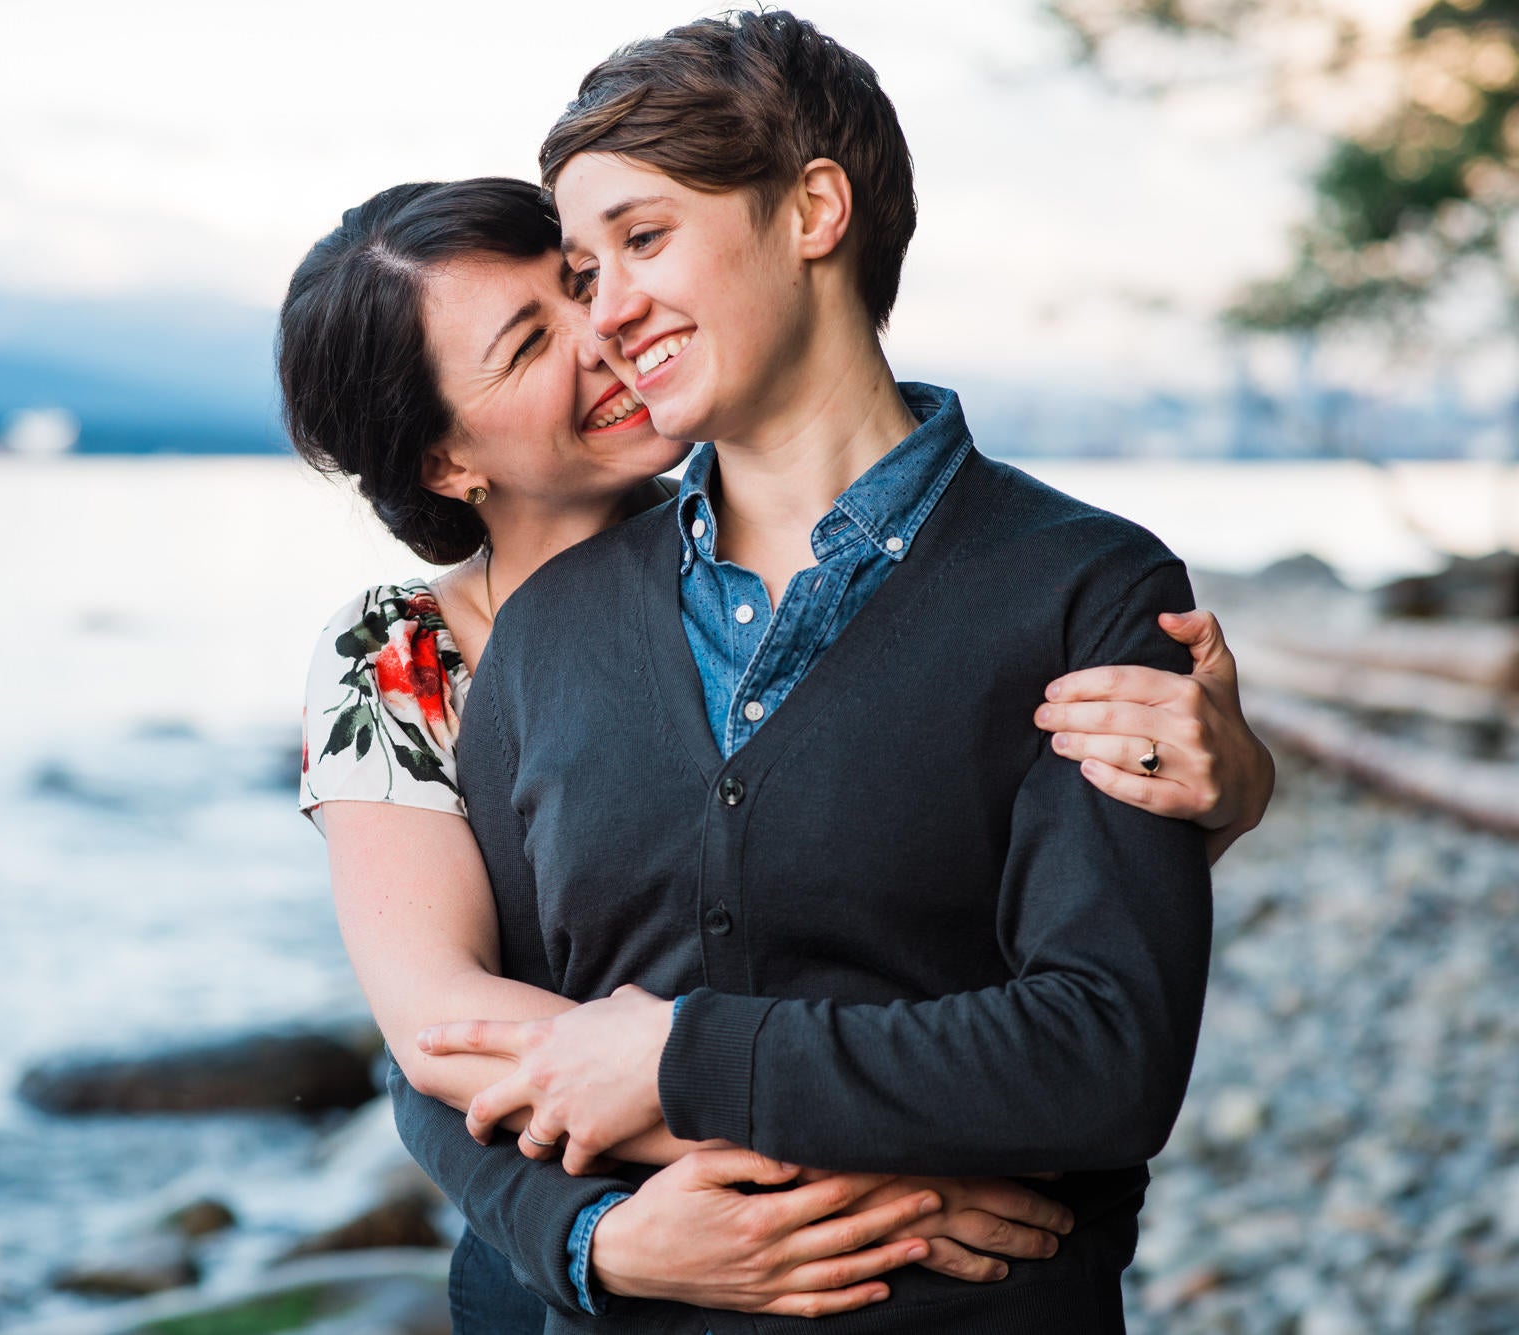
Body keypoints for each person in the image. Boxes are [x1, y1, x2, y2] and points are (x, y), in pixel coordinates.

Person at [360, 11, 1256, 1333]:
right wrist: (594, 1233)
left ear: (814, 210)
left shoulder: (1085, 591)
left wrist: (680, 1061)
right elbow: (454, 1054)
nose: (605, 314)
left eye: (642, 240)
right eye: (582, 269)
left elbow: (1103, 1055)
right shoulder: (550, 631)